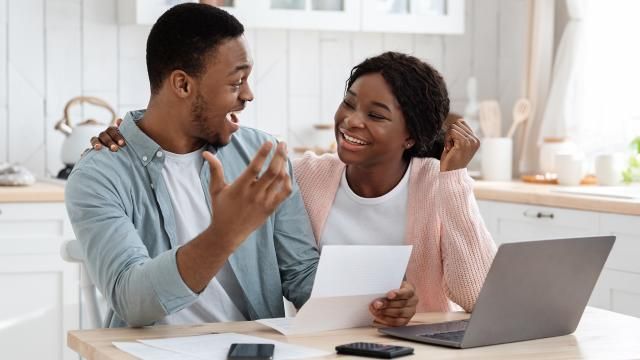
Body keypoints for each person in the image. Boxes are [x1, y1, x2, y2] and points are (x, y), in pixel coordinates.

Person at [67, 3, 416, 328]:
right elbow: (132, 300)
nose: (248, 94)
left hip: (254, 349)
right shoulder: (101, 175)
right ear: (182, 84)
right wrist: (224, 234)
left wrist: (378, 301)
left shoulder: (259, 154)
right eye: (236, 82)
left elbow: (300, 273)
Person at [95, 50, 496, 316]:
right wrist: (128, 136)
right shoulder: (306, 176)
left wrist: (455, 180)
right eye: (349, 103)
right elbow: (301, 278)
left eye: (376, 115)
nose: (352, 120)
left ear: (410, 136)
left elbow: (479, 296)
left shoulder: (436, 184)